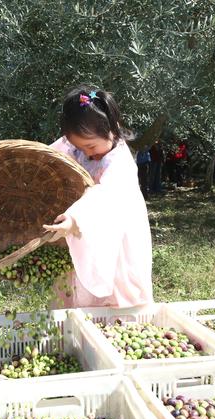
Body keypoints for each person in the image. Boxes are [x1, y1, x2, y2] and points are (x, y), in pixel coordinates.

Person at [42, 85, 153, 308]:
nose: (85, 152)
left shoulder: (119, 163)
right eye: (78, 146)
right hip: (83, 236)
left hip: (114, 237)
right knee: (76, 286)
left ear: (112, 129)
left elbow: (103, 197)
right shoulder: (75, 147)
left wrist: (74, 219)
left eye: (90, 146)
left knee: (115, 291)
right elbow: (49, 157)